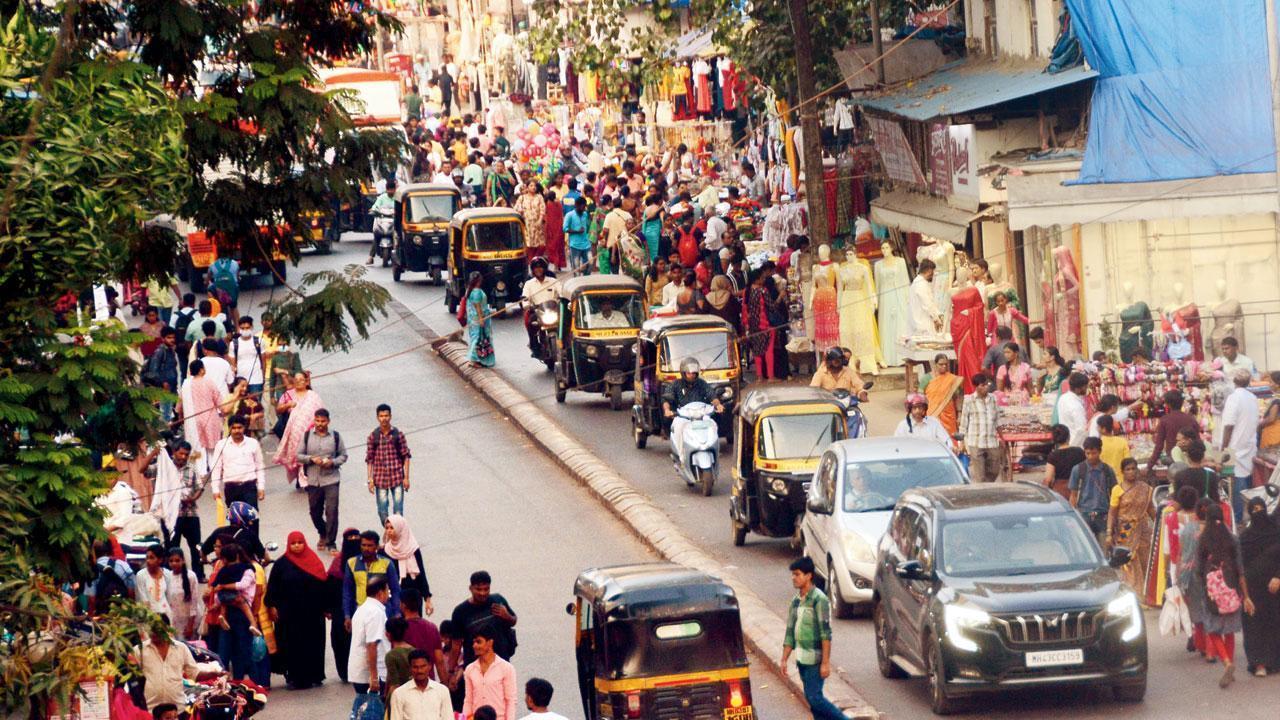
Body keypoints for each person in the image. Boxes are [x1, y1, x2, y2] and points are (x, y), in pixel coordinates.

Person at [1196, 503, 1254, 688]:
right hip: (1232, 587)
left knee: (1213, 629)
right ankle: (1230, 663)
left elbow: (1198, 568)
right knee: (1229, 629)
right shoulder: (1232, 538)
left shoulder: (1203, 539)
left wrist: (1204, 585)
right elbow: (1240, 568)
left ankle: (1227, 662)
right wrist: (1245, 594)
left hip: (1211, 588)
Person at [265, 531, 329, 689]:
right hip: (289, 615)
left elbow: (323, 586)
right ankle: (294, 677)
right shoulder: (281, 564)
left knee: (312, 643)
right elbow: (272, 587)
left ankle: (314, 675)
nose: (297, 546)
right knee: (291, 644)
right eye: (293, 543)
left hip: (312, 613)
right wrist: (271, 606)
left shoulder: (314, 561)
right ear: (289, 545)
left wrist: (327, 607)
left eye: (300, 542)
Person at [782, 557, 844, 720]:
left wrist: (825, 663)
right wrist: (784, 658)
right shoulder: (795, 601)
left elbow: (826, 634)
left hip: (815, 660)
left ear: (809, 576)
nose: (793, 578)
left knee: (815, 698)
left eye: (797, 574)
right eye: (793, 574)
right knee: (812, 699)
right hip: (802, 659)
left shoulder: (819, 600)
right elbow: (790, 632)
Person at [1240, 496, 1280, 677]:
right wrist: (1244, 594)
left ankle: (1274, 661)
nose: (1258, 513)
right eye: (1254, 510)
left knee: (1274, 623)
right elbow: (1240, 566)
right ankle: (1259, 663)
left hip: (1275, 588)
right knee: (1254, 624)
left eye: (1260, 508)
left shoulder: (1277, 532)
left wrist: (1278, 577)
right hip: (1253, 589)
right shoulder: (1245, 538)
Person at [662, 358, 724, 474]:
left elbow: (711, 395)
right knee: (679, 428)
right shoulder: (676, 384)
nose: (691, 375)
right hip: (683, 417)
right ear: (683, 373)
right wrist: (667, 410)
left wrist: (718, 405)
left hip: (701, 415)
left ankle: (714, 450)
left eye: (693, 373)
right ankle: (681, 456)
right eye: (688, 373)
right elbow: (667, 398)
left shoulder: (701, 383)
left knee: (713, 425)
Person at [297, 408, 346, 552]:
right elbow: (298, 455)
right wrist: (311, 459)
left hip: (331, 479)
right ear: (314, 420)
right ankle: (323, 532)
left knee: (332, 511)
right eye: (317, 421)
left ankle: (331, 542)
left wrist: (332, 462)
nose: (320, 424)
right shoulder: (307, 436)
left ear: (328, 421)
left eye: (323, 421)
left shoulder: (336, 436)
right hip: (313, 480)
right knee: (314, 512)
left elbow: (343, 456)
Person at [450, 571, 518, 665]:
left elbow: (513, 621)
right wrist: (451, 670)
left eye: (486, 589)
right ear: (470, 588)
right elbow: (456, 645)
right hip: (475, 665)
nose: (482, 593)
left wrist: (507, 616)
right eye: (478, 589)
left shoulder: (498, 600)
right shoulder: (460, 611)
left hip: (501, 662)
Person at [1107, 458, 1155, 594]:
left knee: (1145, 559)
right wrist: (1109, 533)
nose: (1131, 472)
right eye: (1128, 469)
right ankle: (1133, 594)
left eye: (1134, 468)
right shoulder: (1118, 490)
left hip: (1143, 529)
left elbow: (1151, 509)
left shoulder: (1145, 489)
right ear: (1122, 472)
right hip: (1124, 532)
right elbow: (1112, 513)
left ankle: (1146, 593)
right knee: (1129, 561)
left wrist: (1159, 526)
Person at [1220, 368, 1260, 522]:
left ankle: (1237, 519)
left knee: (1235, 482)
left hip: (1233, 447)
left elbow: (1229, 425)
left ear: (1234, 381)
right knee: (1247, 480)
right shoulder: (1253, 397)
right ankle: (1249, 516)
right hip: (1249, 444)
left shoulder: (1233, 398)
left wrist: (1224, 449)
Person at [344, 530, 403, 631]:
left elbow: (395, 590)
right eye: (364, 545)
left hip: (383, 612)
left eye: (370, 545)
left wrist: (397, 613)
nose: (366, 548)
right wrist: (347, 615)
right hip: (360, 610)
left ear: (376, 546)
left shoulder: (387, 564)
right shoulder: (351, 563)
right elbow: (347, 591)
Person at [274, 370, 324, 487]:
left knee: (309, 455)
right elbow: (278, 409)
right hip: (294, 432)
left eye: (301, 380)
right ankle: (300, 478)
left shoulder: (313, 396)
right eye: (296, 380)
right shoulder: (289, 394)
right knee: (298, 455)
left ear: (306, 382)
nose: (298, 382)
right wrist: (288, 405)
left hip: (310, 432)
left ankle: (307, 479)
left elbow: (321, 412)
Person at [367, 404, 413, 525]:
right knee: (382, 511)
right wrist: (370, 479)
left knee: (398, 511)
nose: (384, 418)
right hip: (380, 479)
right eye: (381, 416)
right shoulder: (374, 436)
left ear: (390, 416)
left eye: (386, 415)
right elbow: (369, 459)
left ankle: (396, 537)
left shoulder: (398, 435)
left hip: (397, 477)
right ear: (377, 417)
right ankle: (389, 531)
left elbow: (406, 456)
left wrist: (406, 478)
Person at [139, 622, 200, 709]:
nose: (153, 633)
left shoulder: (181, 648)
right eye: (151, 630)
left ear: (167, 629)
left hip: (177, 710)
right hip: (149, 710)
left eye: (157, 630)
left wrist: (217, 674)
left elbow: (195, 674)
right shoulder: (139, 650)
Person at [350, 575, 393, 695]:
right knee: (375, 712)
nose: (388, 595)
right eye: (387, 590)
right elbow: (372, 644)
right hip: (371, 675)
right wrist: (374, 676)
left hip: (360, 672)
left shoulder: (362, 609)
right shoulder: (375, 613)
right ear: (380, 593)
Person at [462, 627, 518, 720]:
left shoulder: (506, 668)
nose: (474, 646)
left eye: (478, 642)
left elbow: (511, 701)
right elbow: (468, 700)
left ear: (490, 643)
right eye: (473, 642)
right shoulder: (470, 669)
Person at [211, 415, 265, 508]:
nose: (237, 431)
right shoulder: (221, 445)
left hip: (249, 487)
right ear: (229, 429)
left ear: (244, 428)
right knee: (235, 520)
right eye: (234, 428)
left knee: (252, 520)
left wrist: (261, 487)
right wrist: (215, 489)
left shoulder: (253, 443)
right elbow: (216, 468)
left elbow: (259, 467)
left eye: (239, 428)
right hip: (231, 488)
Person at [1070, 437, 1117, 545]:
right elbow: (1073, 495)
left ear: (1100, 452)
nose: (1090, 456)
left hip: (1104, 516)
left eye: (1094, 453)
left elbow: (1114, 494)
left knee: (1104, 551)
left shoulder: (1107, 470)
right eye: (1088, 453)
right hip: (1084, 515)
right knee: (1087, 549)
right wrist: (1072, 516)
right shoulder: (1078, 469)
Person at [329, 528, 362, 682]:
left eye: (357, 537)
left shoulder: (365, 562)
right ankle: (345, 672)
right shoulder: (337, 563)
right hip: (340, 609)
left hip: (361, 606)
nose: (354, 540)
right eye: (350, 537)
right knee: (341, 640)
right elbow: (329, 586)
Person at [1145, 389, 1201, 475]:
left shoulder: (1165, 420)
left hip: (1173, 462)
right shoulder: (1191, 419)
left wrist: (1149, 466)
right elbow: (1198, 441)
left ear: (1167, 404)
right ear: (1182, 402)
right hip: (1191, 460)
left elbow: (1159, 446)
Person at [179, 359, 226, 457]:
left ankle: (200, 470)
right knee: (212, 449)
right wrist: (224, 412)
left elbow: (179, 405)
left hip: (193, 421)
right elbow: (220, 402)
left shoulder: (186, 385)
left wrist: (181, 418)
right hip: (210, 419)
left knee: (198, 447)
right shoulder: (209, 382)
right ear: (201, 370)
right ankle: (213, 469)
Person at [958, 373, 1000, 482]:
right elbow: (964, 422)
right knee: (979, 476)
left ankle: (987, 488)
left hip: (992, 441)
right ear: (976, 387)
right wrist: (961, 442)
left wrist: (1002, 437)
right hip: (976, 442)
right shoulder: (968, 400)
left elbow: (997, 419)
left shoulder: (993, 399)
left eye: (987, 384)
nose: (986, 387)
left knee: (994, 471)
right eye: (983, 385)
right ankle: (982, 494)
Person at [390, 650, 454, 720]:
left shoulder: (442, 690)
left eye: (423, 666)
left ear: (430, 666)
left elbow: (448, 717)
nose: (419, 671)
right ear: (410, 668)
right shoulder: (399, 693)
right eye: (415, 667)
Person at [384, 514, 432, 601]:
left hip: (413, 595)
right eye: (387, 528)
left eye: (392, 528)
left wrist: (427, 598)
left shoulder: (413, 549)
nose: (389, 531)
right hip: (394, 596)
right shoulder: (385, 550)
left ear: (400, 529)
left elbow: (421, 574)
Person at [401, 588, 446, 679]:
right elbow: (439, 660)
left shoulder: (399, 628)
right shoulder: (432, 627)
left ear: (403, 605)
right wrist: (445, 686)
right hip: (428, 682)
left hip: (405, 682)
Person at [166, 548, 204, 640]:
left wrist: (190, 626)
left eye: (177, 560)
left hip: (190, 621)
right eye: (171, 561)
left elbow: (194, 603)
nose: (174, 563)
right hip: (175, 621)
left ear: (183, 560)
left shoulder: (191, 576)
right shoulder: (167, 576)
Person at [925, 354, 963, 437]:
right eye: (941, 364)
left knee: (950, 440)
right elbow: (920, 398)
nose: (944, 366)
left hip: (949, 416)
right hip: (932, 415)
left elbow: (958, 398)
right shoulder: (926, 378)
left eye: (946, 364)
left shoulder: (953, 379)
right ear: (935, 365)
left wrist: (959, 415)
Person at [463, 272, 495, 368]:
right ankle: (473, 360)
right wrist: (481, 319)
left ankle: (478, 359)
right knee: (477, 338)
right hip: (478, 319)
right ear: (478, 280)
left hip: (473, 319)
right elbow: (478, 307)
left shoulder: (470, 290)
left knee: (479, 338)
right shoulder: (476, 291)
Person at [1043, 424, 1085, 499]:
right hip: (1079, 490)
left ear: (1054, 440)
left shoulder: (1053, 456)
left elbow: (1048, 479)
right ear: (1069, 437)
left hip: (1061, 492)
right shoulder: (1079, 451)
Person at [135, 544, 173, 618]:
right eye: (147, 557)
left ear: (160, 560)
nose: (148, 561)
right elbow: (142, 598)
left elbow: (169, 596)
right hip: (148, 615)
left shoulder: (167, 573)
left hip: (166, 614)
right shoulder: (141, 575)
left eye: (152, 558)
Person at [513, 182, 546, 261]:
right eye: (531, 185)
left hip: (537, 224)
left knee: (540, 245)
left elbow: (542, 209)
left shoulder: (539, 197)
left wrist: (540, 220)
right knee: (528, 244)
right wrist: (521, 211)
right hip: (526, 224)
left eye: (534, 185)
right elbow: (516, 208)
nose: (533, 187)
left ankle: (537, 260)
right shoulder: (522, 198)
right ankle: (530, 262)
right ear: (527, 188)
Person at [1055, 372, 1090, 446]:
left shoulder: (1063, 398)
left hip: (1066, 441)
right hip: (1075, 444)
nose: (1087, 389)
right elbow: (1082, 429)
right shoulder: (1076, 406)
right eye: (1085, 387)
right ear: (1077, 389)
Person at [367, 180, 396, 265]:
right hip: (382, 220)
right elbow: (375, 206)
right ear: (386, 189)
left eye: (392, 189)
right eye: (389, 189)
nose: (390, 191)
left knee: (399, 237)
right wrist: (373, 210)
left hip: (394, 220)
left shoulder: (398, 198)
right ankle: (371, 257)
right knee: (376, 236)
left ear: (395, 189)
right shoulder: (382, 198)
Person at [385, 617, 415, 690]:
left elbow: (395, 685)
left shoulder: (391, 655)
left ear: (388, 634)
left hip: (400, 695)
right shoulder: (414, 650)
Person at [563, 196, 591, 274]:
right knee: (576, 267)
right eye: (583, 206)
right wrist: (577, 231)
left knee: (589, 264)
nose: (584, 208)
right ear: (577, 205)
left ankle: (587, 281)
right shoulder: (569, 215)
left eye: (585, 206)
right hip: (575, 245)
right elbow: (565, 229)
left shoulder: (585, 214)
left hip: (586, 244)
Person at [1259, 371, 1280, 449]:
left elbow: (1271, 418)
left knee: (1268, 458)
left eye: (1271, 382)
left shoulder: (1277, 399)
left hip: (1273, 434)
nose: (1269, 384)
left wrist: (1260, 424)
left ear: (1277, 385)